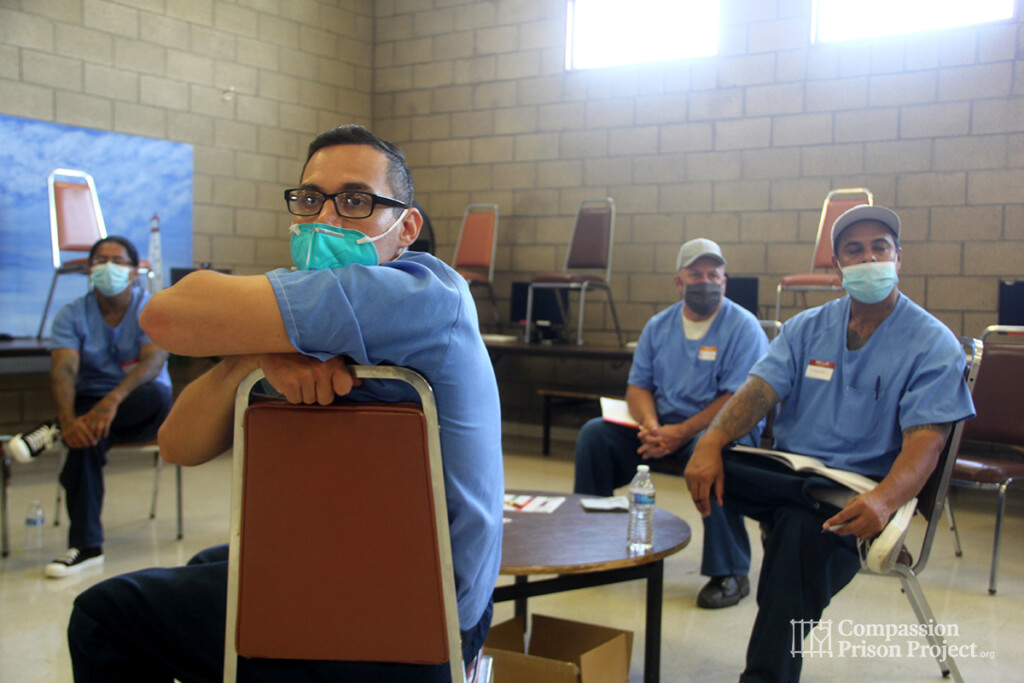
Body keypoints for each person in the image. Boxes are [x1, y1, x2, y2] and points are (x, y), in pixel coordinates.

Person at [65, 125, 504, 681]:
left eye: (354, 201)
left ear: (406, 228)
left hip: (416, 615)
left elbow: (165, 314)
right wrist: (256, 357)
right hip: (387, 577)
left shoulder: (423, 292)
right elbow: (178, 443)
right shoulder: (302, 323)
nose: (325, 219)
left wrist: (257, 342)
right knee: (209, 563)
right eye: (310, 198)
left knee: (104, 616)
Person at [684, 205, 976, 682]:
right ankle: (811, 499)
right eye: (854, 251)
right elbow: (758, 391)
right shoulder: (806, 329)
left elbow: (926, 443)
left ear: (898, 257)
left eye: (879, 248)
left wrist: (882, 501)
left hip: (864, 492)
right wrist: (711, 438)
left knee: (800, 531)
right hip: (791, 472)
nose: (868, 259)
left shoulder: (931, 343)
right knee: (705, 456)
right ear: (838, 264)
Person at [574, 238, 769, 609]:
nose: (706, 281)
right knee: (595, 437)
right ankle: (594, 547)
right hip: (661, 431)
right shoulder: (659, 326)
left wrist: (681, 433)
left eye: (714, 274)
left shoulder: (743, 328)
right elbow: (638, 386)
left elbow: (736, 401)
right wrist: (651, 425)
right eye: (695, 274)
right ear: (678, 282)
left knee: (718, 453)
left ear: (725, 281)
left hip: (720, 430)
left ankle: (729, 571)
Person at [7, 236, 172, 578]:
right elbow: (64, 370)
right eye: (100, 260)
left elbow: (151, 366)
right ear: (88, 270)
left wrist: (110, 403)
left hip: (140, 406)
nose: (108, 266)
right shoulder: (72, 315)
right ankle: (86, 547)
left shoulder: (152, 308)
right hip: (90, 407)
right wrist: (71, 419)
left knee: (153, 395)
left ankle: (53, 429)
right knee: (83, 437)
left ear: (133, 272)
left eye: (118, 260)